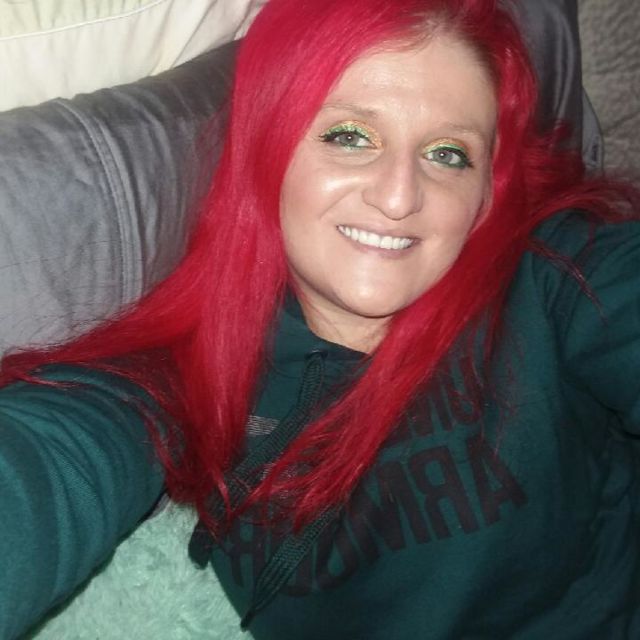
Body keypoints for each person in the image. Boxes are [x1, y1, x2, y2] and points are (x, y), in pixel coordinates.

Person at [1, 0, 638, 638]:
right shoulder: (185, 381)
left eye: (447, 154)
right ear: (267, 147)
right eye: (350, 137)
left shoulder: (559, 275)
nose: (398, 196)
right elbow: (43, 470)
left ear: (486, 192)